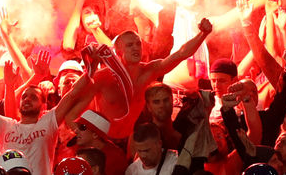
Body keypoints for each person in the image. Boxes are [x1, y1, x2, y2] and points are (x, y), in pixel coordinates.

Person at [75, 19, 213, 138]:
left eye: (138, 43)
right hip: (102, 139)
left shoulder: (149, 71)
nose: (136, 47)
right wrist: (79, 135)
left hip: (132, 139)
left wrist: (203, 34)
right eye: (130, 45)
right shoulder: (103, 76)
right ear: (118, 52)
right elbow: (75, 104)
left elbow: (181, 54)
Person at [0, 59, 91, 175]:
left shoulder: (48, 122)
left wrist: (91, 67)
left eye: (33, 97)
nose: (27, 99)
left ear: (43, 106)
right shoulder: (6, 125)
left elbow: (73, 93)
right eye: (24, 96)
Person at [72, 110, 128, 175]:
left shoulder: (114, 157)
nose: (75, 131)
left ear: (95, 135)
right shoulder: (78, 148)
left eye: (82, 127)